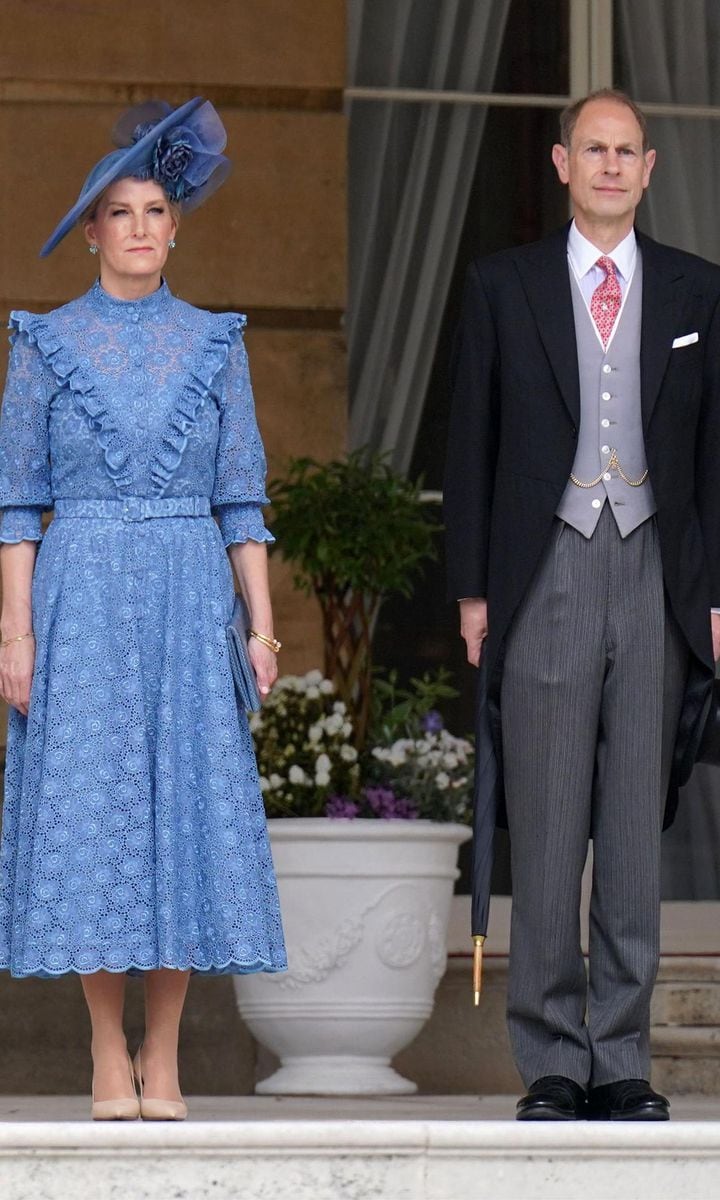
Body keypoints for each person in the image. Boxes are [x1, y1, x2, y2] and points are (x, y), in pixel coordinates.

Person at [0, 98, 286, 1120]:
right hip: (79, 597)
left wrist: (259, 624)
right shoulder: (41, 342)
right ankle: (102, 1053)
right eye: (116, 211)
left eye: (153, 208)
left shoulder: (217, 343)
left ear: (175, 227)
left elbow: (241, 497)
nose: (135, 227)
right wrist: (15, 631)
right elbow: (17, 504)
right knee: (94, 815)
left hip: (185, 588)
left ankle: (163, 1056)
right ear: (90, 230)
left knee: (185, 814)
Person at [444, 89, 720, 1122]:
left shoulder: (700, 292)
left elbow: (716, 458)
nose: (610, 166)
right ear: (561, 163)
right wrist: (473, 590)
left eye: (627, 152)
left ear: (649, 169)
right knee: (551, 825)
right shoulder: (500, 286)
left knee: (635, 835)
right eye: (592, 150)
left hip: (657, 574)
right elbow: (468, 442)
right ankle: (555, 1059)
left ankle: (623, 1056)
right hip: (546, 570)